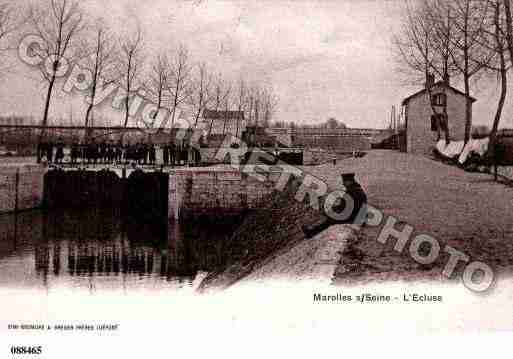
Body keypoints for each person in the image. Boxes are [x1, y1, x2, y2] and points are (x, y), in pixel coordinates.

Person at [302, 172, 368, 239]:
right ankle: (313, 230)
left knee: (331, 220)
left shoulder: (352, 191)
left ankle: (312, 232)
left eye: (344, 182)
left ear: (349, 182)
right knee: (331, 217)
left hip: (355, 217)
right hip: (358, 215)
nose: (343, 184)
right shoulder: (356, 189)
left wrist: (333, 211)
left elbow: (346, 207)